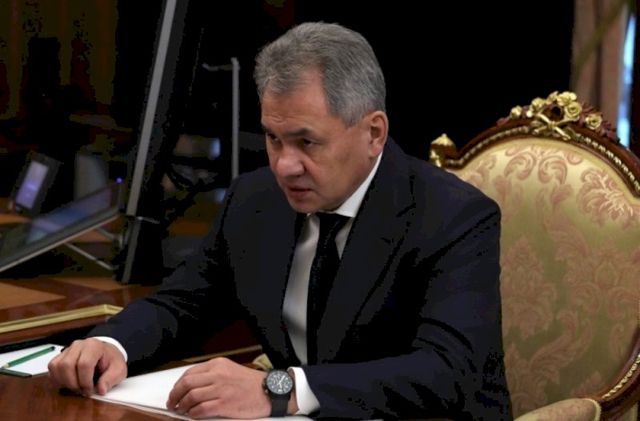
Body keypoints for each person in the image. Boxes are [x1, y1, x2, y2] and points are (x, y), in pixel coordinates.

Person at [49, 22, 512, 419]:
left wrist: (281, 389)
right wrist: (112, 345)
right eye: (273, 138)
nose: (285, 166)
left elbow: (447, 372)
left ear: (373, 133)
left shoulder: (452, 216)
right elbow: (183, 303)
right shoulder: (255, 200)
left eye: (307, 142)